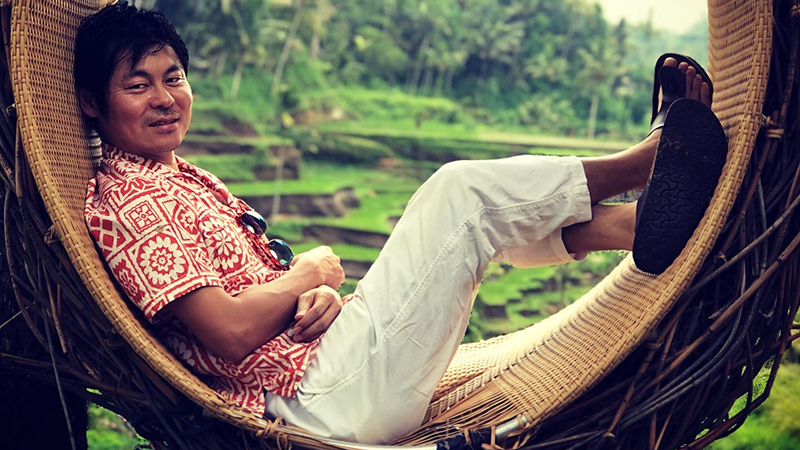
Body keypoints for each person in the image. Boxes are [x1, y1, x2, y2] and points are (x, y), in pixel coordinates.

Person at [76, 2, 724, 444]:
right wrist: (312, 267)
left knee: (475, 217)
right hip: (323, 401)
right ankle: (642, 162)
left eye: (174, 77)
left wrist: (315, 294)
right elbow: (228, 332)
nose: (164, 97)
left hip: (331, 369)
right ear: (92, 104)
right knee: (458, 194)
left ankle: (630, 227)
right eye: (138, 85)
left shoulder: (173, 176)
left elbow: (252, 304)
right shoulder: (131, 201)